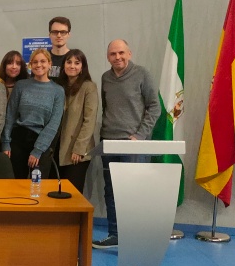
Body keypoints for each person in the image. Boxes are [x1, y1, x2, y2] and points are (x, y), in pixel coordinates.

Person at [93, 39, 160, 249]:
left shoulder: (142, 74)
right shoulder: (105, 78)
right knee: (111, 190)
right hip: (109, 143)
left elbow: (154, 107)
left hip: (133, 144)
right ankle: (115, 235)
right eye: (113, 54)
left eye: (121, 53)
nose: (117, 57)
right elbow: (107, 108)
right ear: (108, 57)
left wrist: (139, 136)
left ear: (129, 53)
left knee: (133, 191)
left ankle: (136, 238)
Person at [1, 48, 64, 180]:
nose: (39, 65)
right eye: (35, 62)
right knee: (15, 185)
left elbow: (53, 124)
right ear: (30, 65)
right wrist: (6, 143)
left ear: (49, 64)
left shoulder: (58, 91)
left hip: (41, 142)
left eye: (43, 61)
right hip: (18, 141)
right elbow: (10, 115)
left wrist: (38, 150)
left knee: (38, 187)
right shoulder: (21, 85)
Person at [54, 49, 98, 193]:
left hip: (77, 152)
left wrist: (79, 149)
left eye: (77, 63)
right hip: (57, 149)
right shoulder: (58, 86)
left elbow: (89, 121)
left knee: (72, 194)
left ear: (82, 67)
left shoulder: (88, 87)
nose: (72, 66)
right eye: (69, 62)